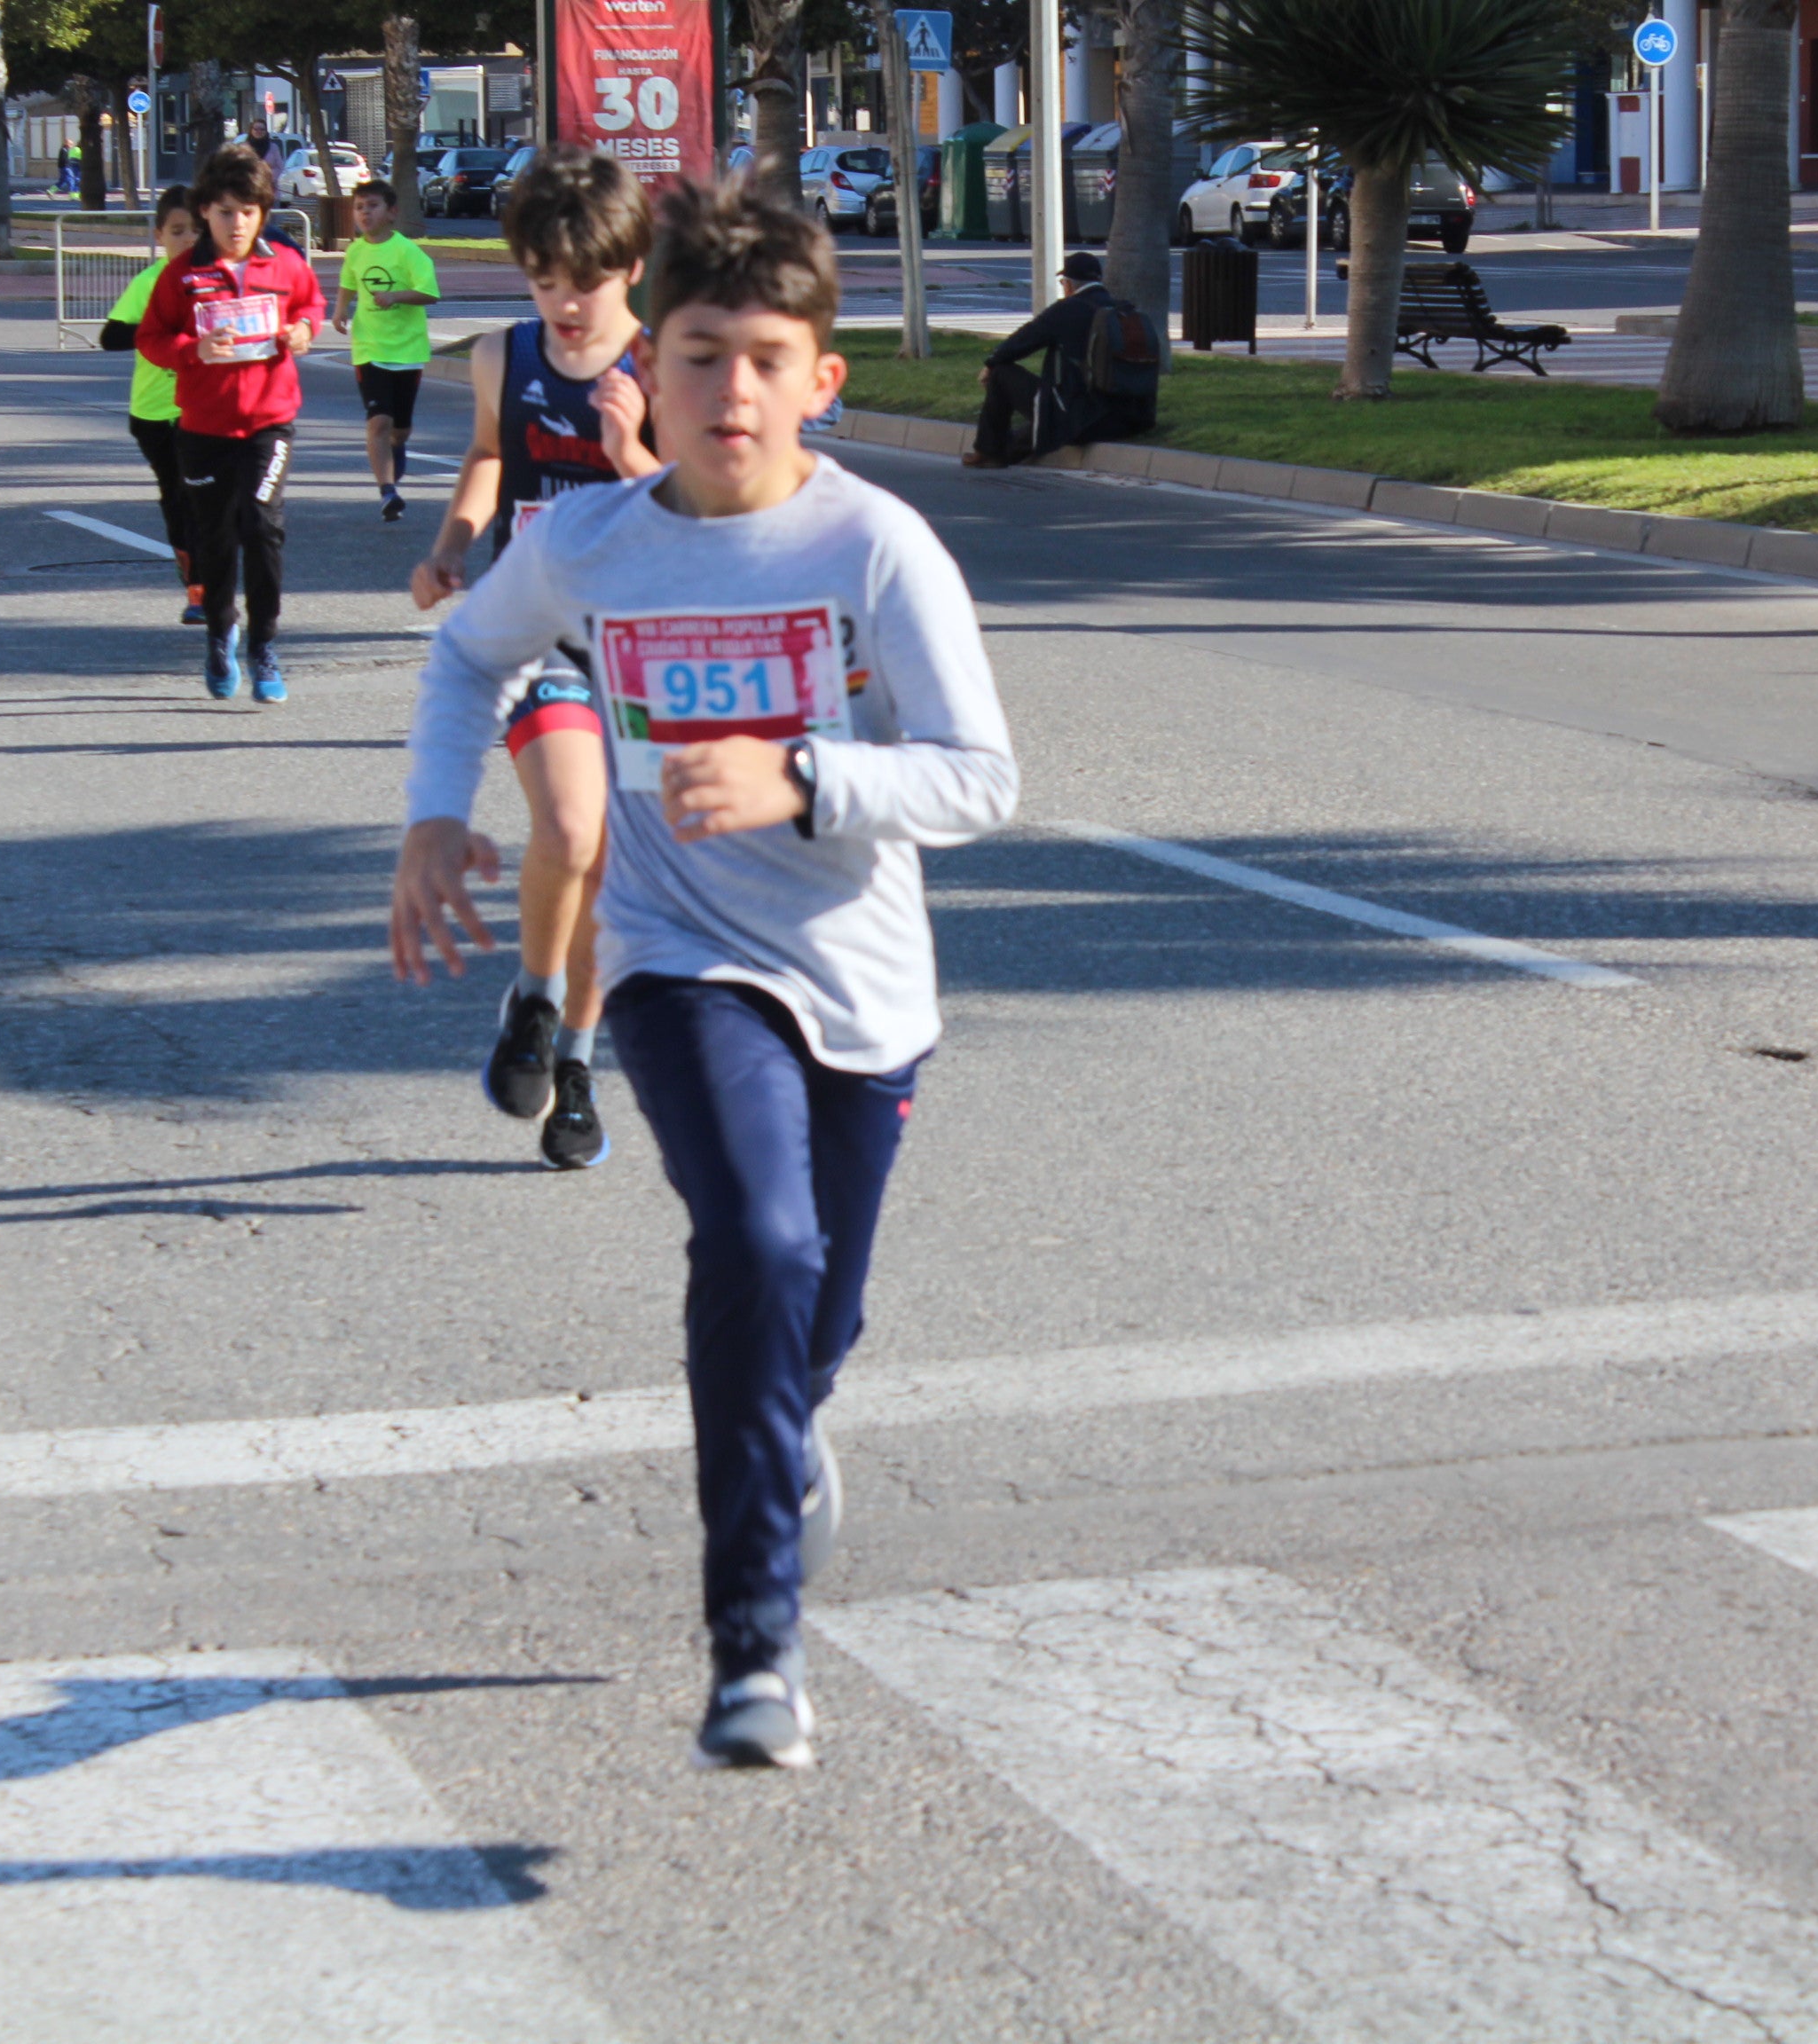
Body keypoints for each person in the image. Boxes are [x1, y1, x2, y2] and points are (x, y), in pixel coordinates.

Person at [391, 178, 1017, 1770]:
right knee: (752, 1231)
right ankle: (755, 1645)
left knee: (818, 1310)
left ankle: (786, 1430)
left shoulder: (876, 544)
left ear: (821, 378)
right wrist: (424, 820)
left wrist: (807, 774)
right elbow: (467, 651)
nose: (726, 390)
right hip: (679, 957)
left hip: (860, 978)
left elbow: (978, 777)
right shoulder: (592, 537)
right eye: (695, 355)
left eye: (761, 356)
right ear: (640, 376)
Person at [406, 148, 659, 1174]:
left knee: (611, 864)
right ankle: (538, 997)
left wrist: (633, 450)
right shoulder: (500, 357)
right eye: (543, 277)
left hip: (643, 650)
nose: (564, 301)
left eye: (585, 279)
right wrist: (454, 544)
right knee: (567, 822)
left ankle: (579, 1059)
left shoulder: (667, 366)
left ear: (631, 268)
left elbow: (707, 516)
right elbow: (490, 455)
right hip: (539, 635)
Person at [137, 145, 322, 705]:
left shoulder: (285, 265)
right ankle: (221, 633)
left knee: (262, 529)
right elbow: (151, 339)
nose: (235, 223)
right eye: (223, 212)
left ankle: (264, 646)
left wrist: (302, 332)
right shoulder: (181, 275)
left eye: (246, 211)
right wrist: (195, 350)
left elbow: (311, 308)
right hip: (204, 428)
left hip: (270, 423)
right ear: (204, 216)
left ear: (263, 212)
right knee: (215, 541)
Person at [98, 186, 206, 624]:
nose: (188, 239)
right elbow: (111, 338)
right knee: (179, 497)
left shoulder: (220, 277)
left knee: (208, 497)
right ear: (160, 234)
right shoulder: (150, 283)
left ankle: (203, 584)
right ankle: (195, 580)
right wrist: (161, 330)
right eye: (178, 231)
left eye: (197, 230)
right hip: (155, 412)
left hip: (204, 409)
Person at [965, 249, 1150, 469]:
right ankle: (1007, 450)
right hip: (1125, 420)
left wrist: (991, 363)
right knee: (1047, 415)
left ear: (1069, 285)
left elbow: (1020, 342)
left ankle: (988, 453)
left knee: (1002, 375)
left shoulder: (1066, 310)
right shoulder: (1123, 310)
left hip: (1080, 420)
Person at [332, 179, 441, 523]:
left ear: (392, 212)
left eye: (373, 206)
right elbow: (348, 282)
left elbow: (430, 293)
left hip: (407, 349)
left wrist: (397, 296)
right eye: (360, 207)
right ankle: (387, 491)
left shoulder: (407, 252)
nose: (365, 213)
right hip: (369, 347)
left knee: (401, 428)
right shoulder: (355, 251)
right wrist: (338, 311)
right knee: (378, 420)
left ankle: (398, 448)